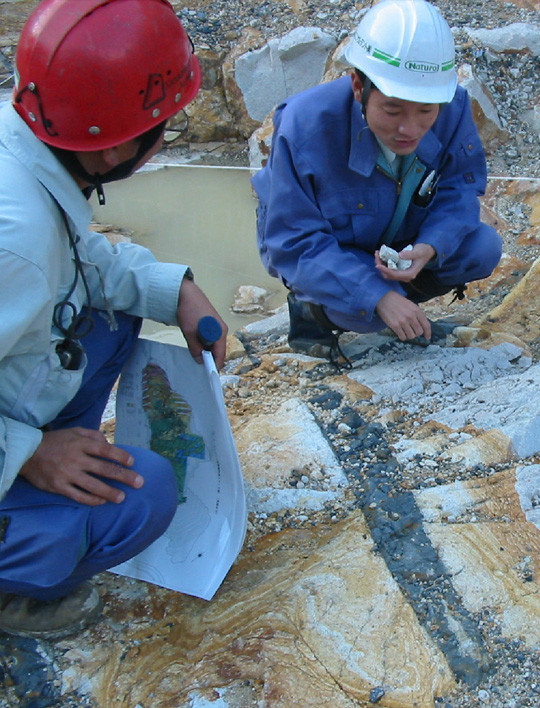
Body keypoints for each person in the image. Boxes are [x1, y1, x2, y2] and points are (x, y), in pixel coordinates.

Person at [0, 0, 228, 639]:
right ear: (118, 144)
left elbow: (80, 257)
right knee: (145, 494)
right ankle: (16, 578)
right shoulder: (13, 247)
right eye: (165, 126)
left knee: (112, 316)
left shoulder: (26, 144)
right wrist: (30, 453)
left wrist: (173, 288)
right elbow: (40, 255)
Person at [252, 0, 502, 361]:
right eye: (393, 109)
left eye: (425, 111)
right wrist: (376, 296)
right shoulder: (304, 126)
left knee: (481, 248)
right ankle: (316, 313)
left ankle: (397, 302)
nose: (410, 129)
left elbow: (459, 188)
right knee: (362, 311)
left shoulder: (452, 106)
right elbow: (292, 240)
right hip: (339, 254)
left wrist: (431, 246)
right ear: (358, 86)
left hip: (402, 242)